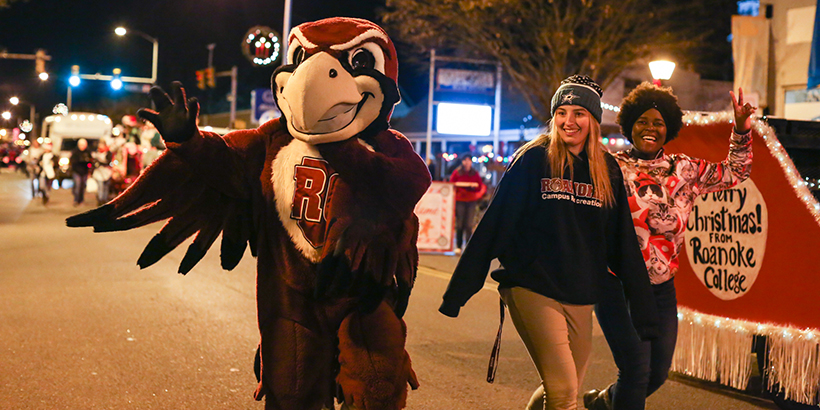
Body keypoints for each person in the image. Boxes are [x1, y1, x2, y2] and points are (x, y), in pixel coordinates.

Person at [439, 75, 659, 410]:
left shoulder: (608, 170)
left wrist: (643, 312)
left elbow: (623, 245)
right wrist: (458, 293)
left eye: (579, 113)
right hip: (532, 286)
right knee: (563, 391)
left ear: (594, 120)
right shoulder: (533, 160)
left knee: (561, 389)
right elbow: (494, 226)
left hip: (581, 294)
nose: (569, 121)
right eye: (562, 112)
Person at [582, 83, 754, 410]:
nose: (650, 128)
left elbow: (736, 172)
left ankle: (604, 403)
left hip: (662, 289)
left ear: (669, 129)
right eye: (642, 121)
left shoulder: (685, 169)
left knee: (657, 373)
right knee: (635, 370)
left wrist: (741, 130)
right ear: (629, 125)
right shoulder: (610, 168)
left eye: (658, 122)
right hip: (617, 285)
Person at [449, 154, 487, 253]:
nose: (467, 162)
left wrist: (474, 187)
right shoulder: (457, 173)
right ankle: (459, 245)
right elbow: (451, 184)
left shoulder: (475, 173)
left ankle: (468, 246)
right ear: (462, 161)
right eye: (465, 160)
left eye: (469, 160)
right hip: (460, 200)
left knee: (469, 224)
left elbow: (479, 186)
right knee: (460, 223)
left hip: (471, 200)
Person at [70, 138, 93, 206]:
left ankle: (81, 199)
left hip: (84, 172)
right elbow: (72, 162)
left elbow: (91, 161)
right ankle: (76, 200)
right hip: (77, 172)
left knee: (82, 186)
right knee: (77, 185)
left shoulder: (87, 152)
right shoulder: (75, 152)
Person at [91, 140, 113, 205]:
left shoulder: (108, 153)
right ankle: (100, 200)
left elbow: (108, 161)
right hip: (99, 173)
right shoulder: (96, 153)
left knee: (106, 187)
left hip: (106, 173)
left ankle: (104, 200)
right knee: (100, 187)